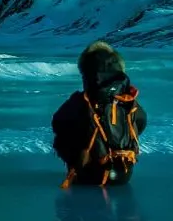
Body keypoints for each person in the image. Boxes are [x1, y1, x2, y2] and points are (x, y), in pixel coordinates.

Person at [52, 41, 147, 188]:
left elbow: (57, 123)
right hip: (124, 175)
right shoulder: (128, 100)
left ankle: (78, 169)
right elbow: (141, 121)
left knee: (65, 131)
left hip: (90, 177)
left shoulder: (80, 101)